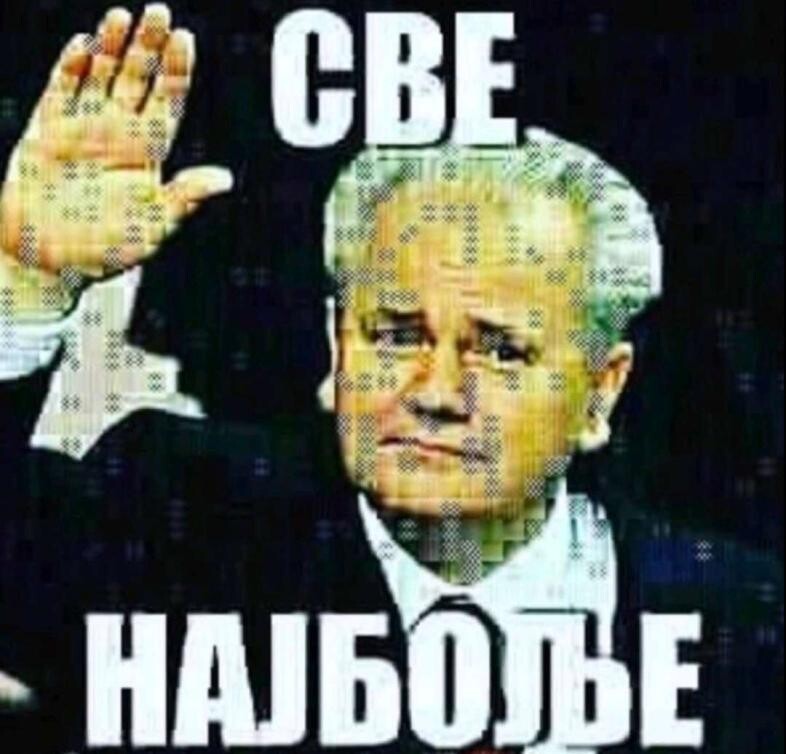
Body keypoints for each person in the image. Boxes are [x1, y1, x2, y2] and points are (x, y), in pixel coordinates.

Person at [0, 5, 781, 753]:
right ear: (337, 346)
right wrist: (27, 282)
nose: (436, 392)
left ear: (602, 391)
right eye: (398, 336)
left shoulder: (746, 630)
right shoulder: (176, 526)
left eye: (500, 352)